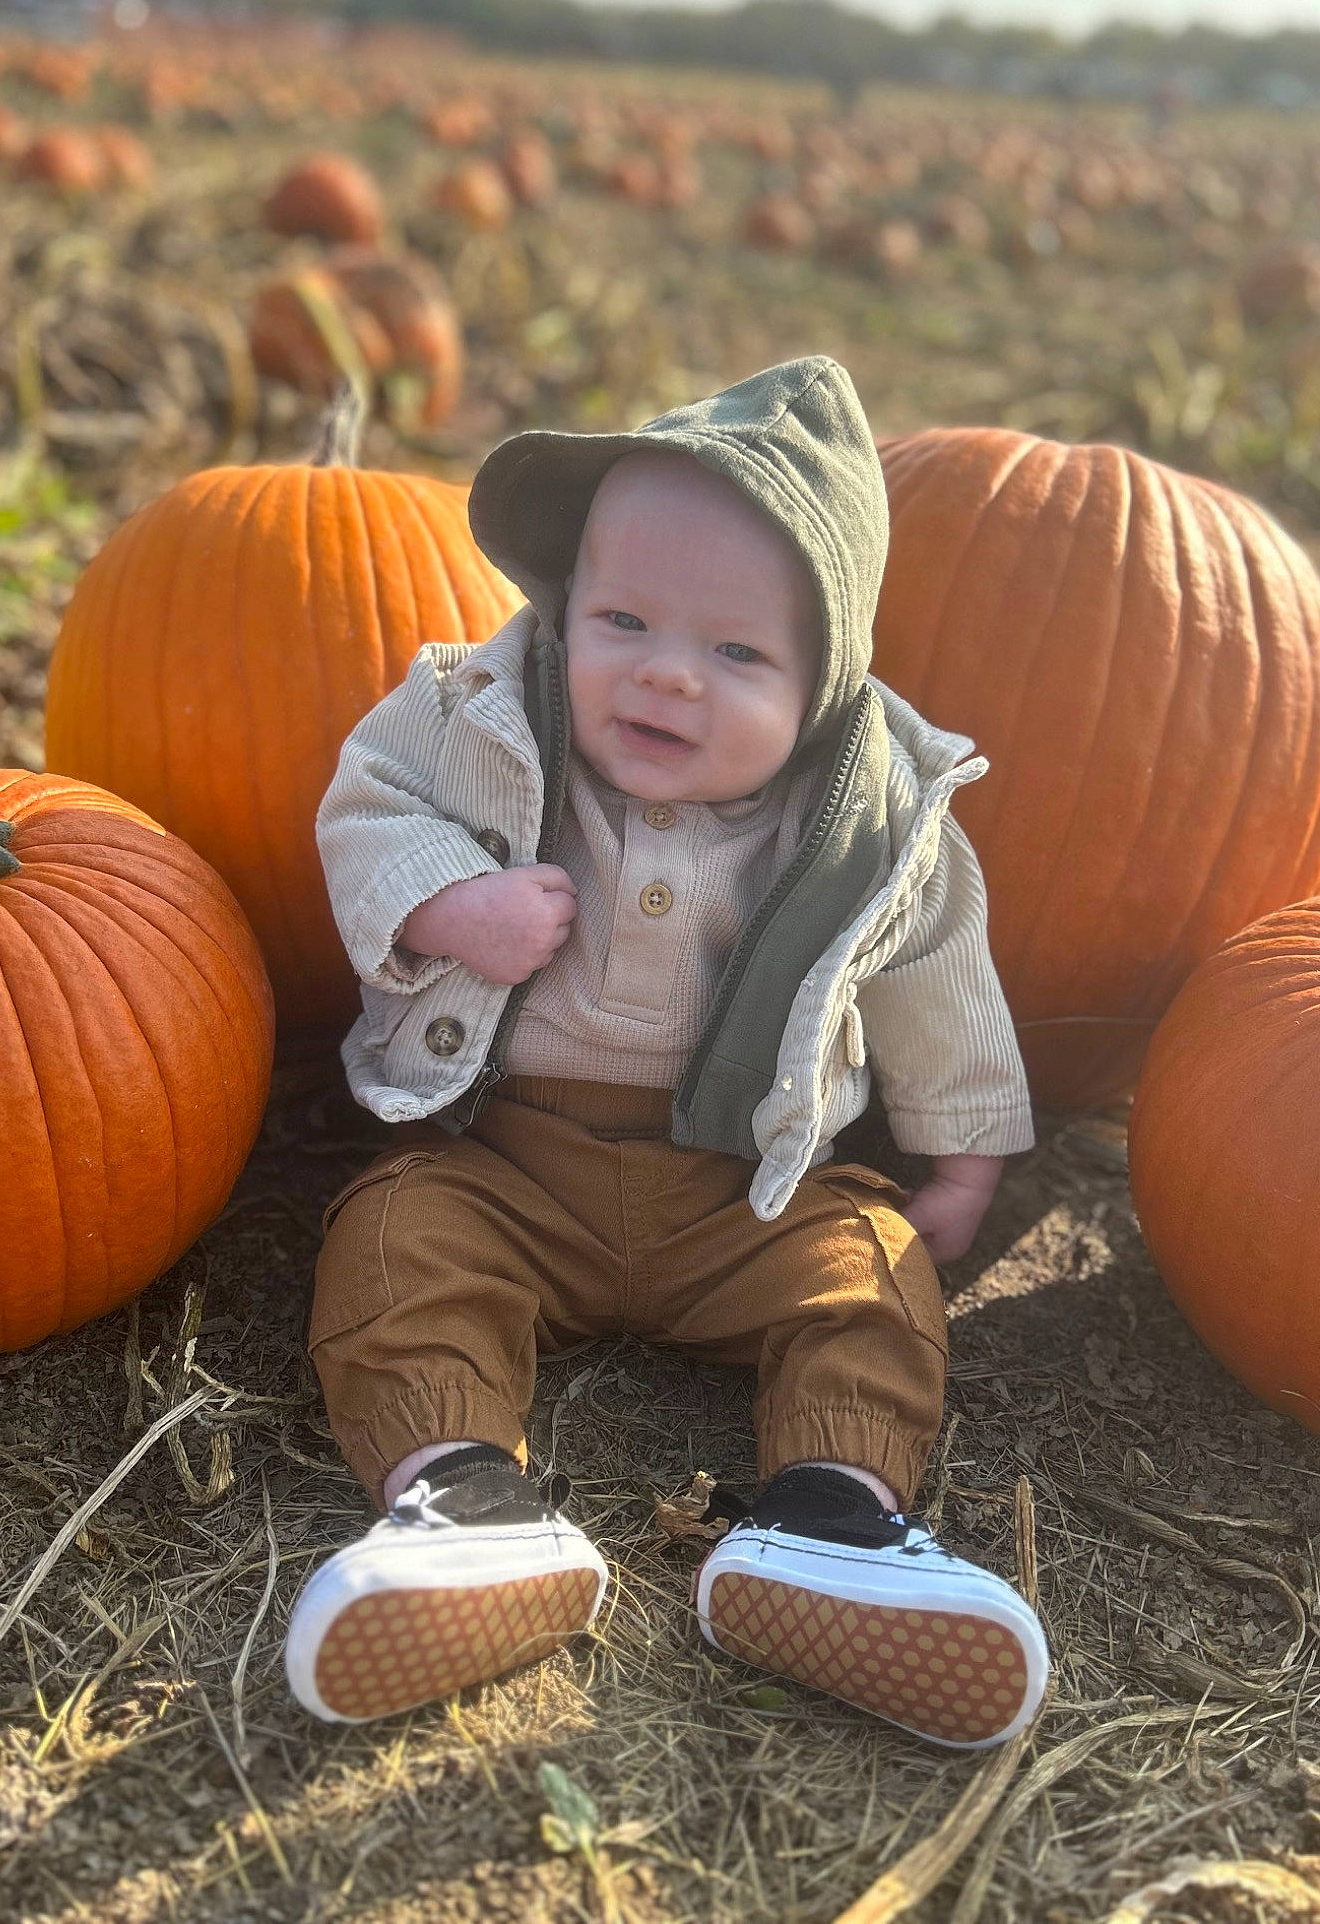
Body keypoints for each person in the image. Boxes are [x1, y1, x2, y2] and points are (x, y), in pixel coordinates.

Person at [285, 357, 1049, 1747]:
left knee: (866, 1276)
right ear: (565, 607)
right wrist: (449, 902)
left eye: (736, 655)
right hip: (510, 1163)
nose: (663, 675)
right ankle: (460, 1500)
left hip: (741, 1193)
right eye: (621, 619)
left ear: (824, 683)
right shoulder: (477, 714)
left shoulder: (870, 818)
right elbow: (367, 803)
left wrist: (964, 1151)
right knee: (396, 1240)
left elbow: (937, 971)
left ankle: (835, 1522)